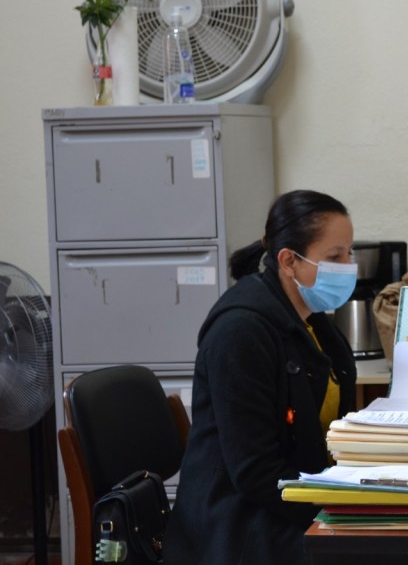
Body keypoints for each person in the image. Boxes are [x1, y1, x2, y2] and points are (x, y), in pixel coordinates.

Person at [164, 190, 358, 565]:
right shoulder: (241, 331)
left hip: (287, 504)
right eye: (335, 257)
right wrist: (337, 507)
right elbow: (255, 473)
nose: (349, 266)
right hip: (241, 527)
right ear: (289, 261)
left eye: (349, 253)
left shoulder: (311, 320)